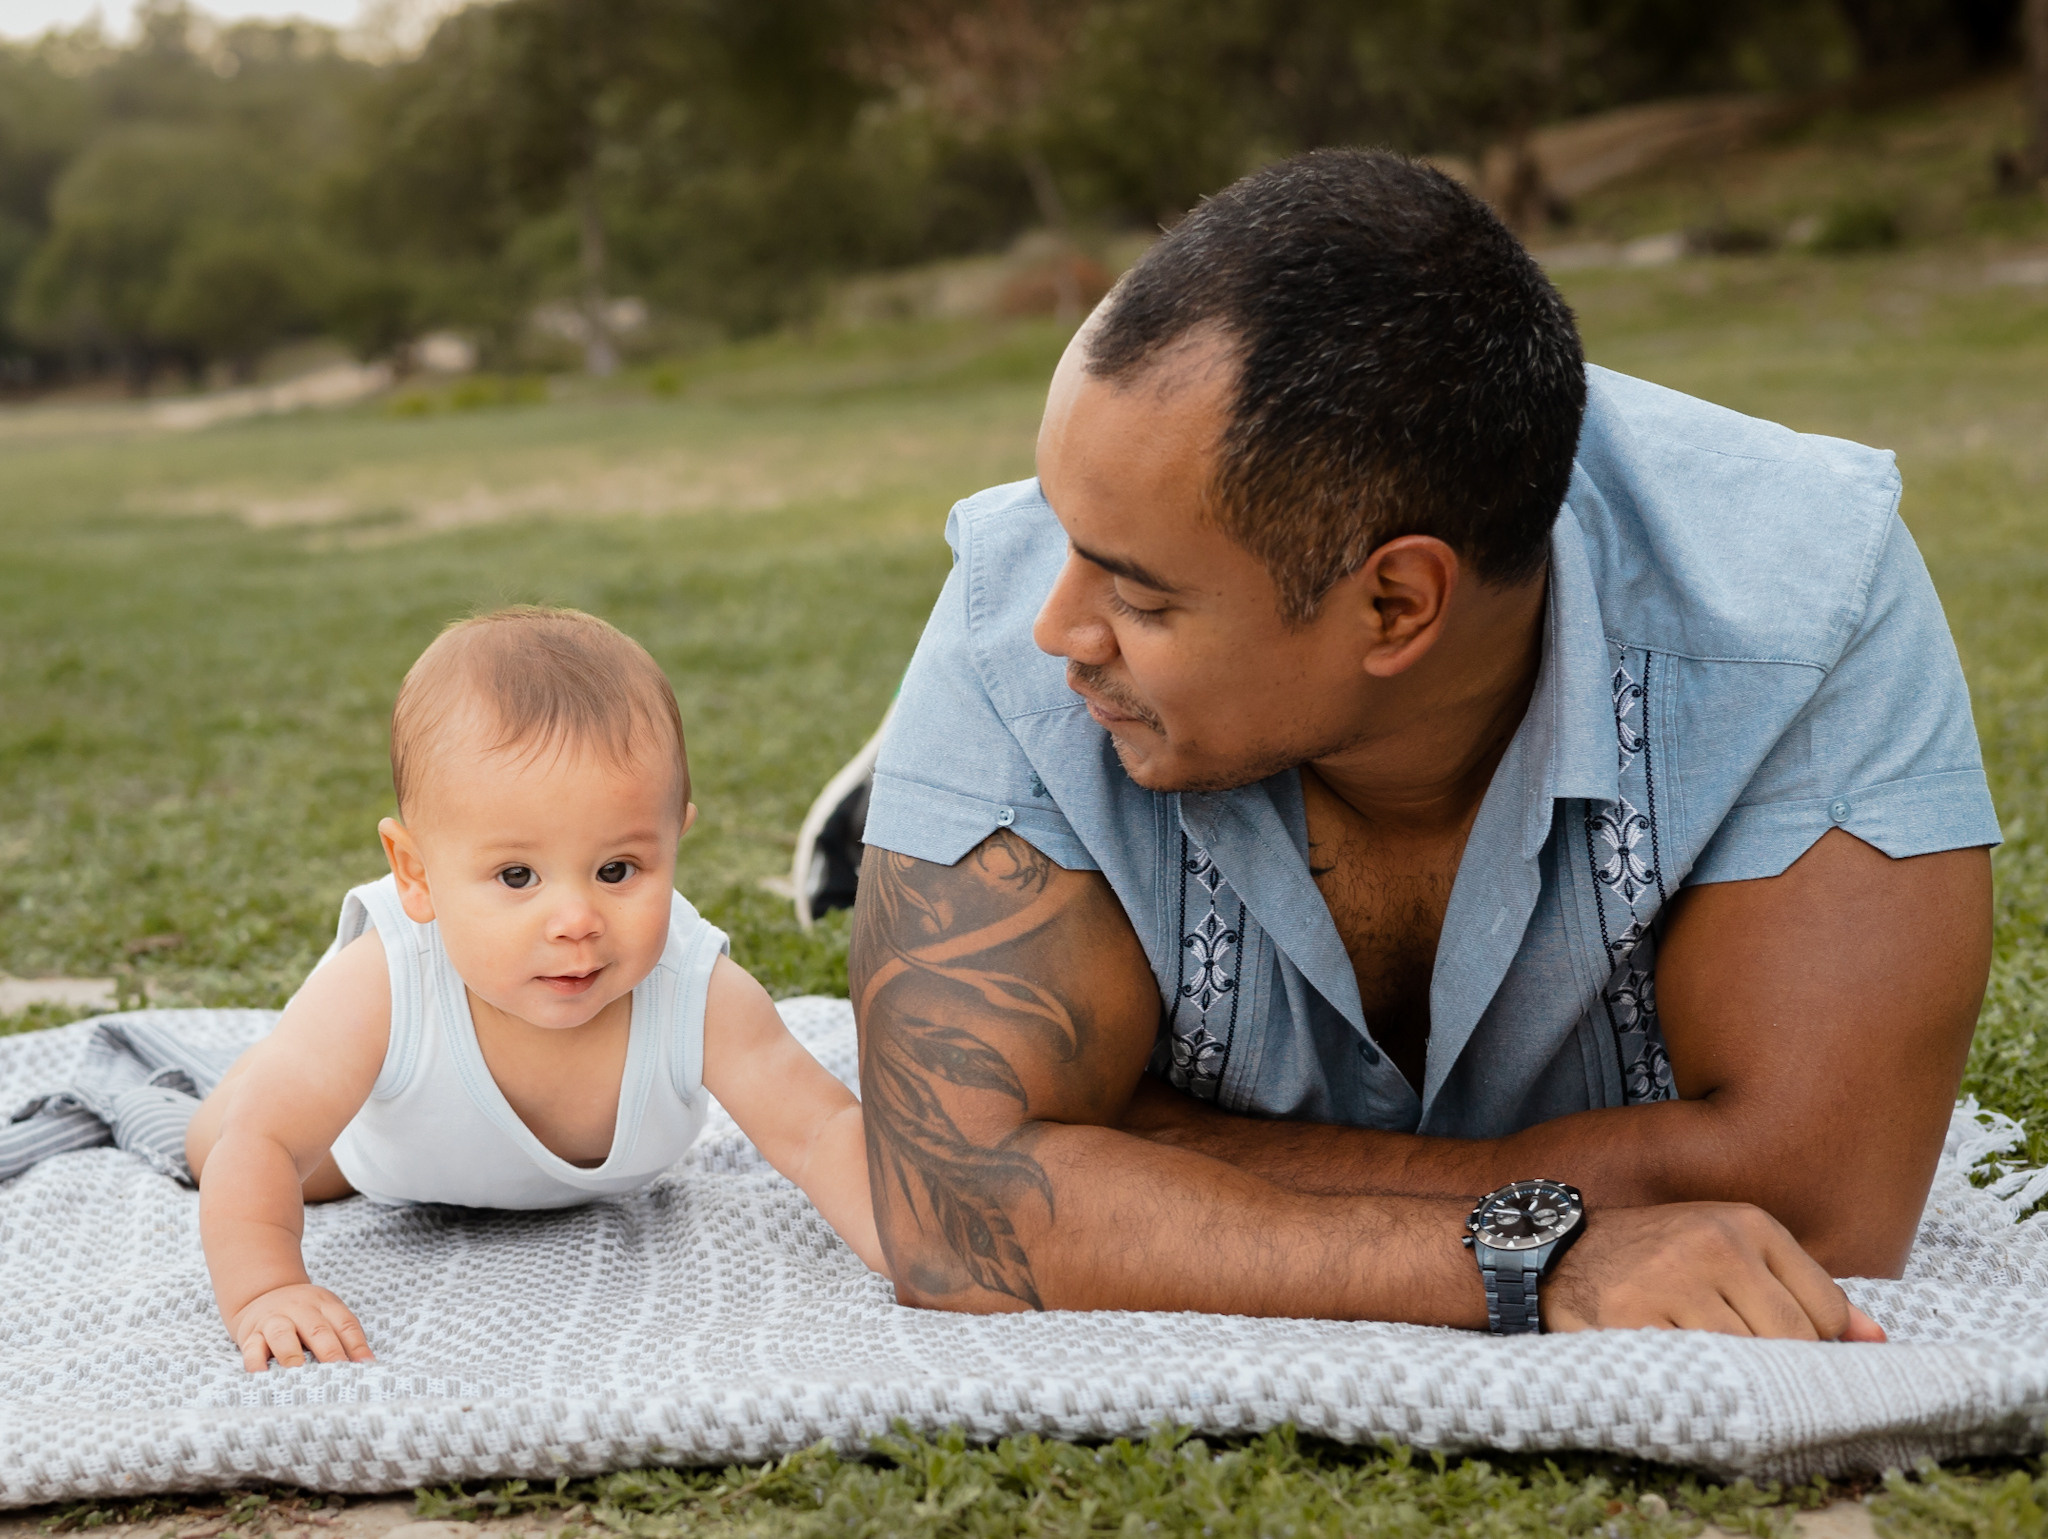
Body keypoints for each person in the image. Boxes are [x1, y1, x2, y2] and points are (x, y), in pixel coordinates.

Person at [848, 149, 1998, 1338]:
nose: (1055, 626)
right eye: (1063, 536)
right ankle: (894, 800)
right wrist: (1533, 1262)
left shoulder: (1798, 602)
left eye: (1140, 599)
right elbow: (951, 1197)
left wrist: (1146, 1150)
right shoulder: (1015, 614)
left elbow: (1823, 1208)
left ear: (1396, 604)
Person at [187, 607, 884, 1371]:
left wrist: (912, 1242)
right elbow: (266, 1143)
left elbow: (818, 1133)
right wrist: (265, 1288)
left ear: (674, 839)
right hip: (386, 1152)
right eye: (517, 876)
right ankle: (257, 1068)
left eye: (617, 870)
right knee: (234, 1140)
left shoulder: (696, 990)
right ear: (416, 873)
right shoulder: (387, 978)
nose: (577, 920)